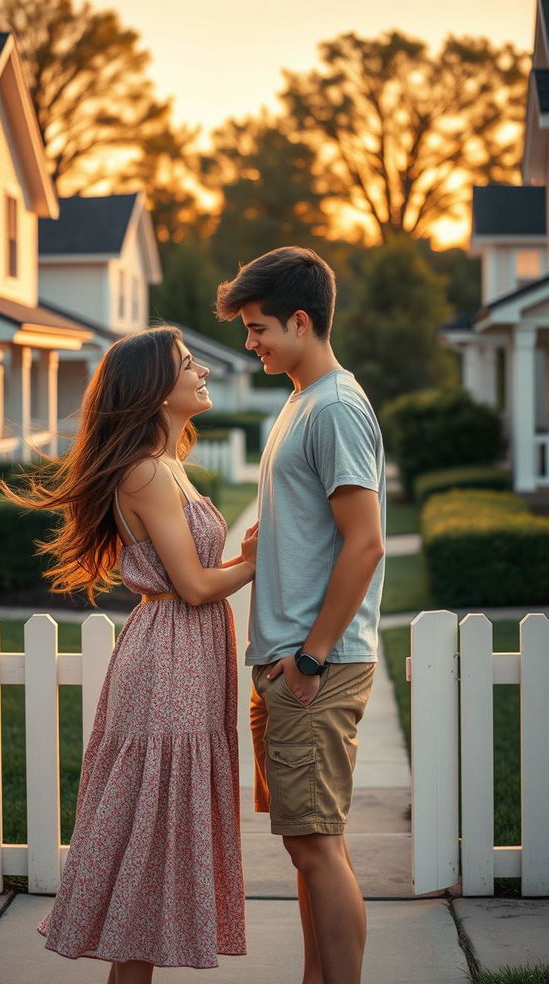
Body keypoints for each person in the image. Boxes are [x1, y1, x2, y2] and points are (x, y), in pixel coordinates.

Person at [0, 325, 256, 983]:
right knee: (153, 821)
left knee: (164, 822)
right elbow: (194, 586)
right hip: (168, 650)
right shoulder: (144, 471)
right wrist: (253, 563)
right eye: (189, 365)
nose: (202, 373)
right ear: (155, 389)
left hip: (186, 649)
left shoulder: (167, 463)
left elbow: (190, 573)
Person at [216, 247, 386, 984]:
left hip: (315, 666)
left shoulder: (337, 407)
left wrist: (312, 657)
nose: (249, 343)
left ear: (300, 320)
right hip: (289, 665)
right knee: (311, 846)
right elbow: (322, 531)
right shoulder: (301, 400)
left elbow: (367, 542)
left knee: (317, 848)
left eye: (258, 329)